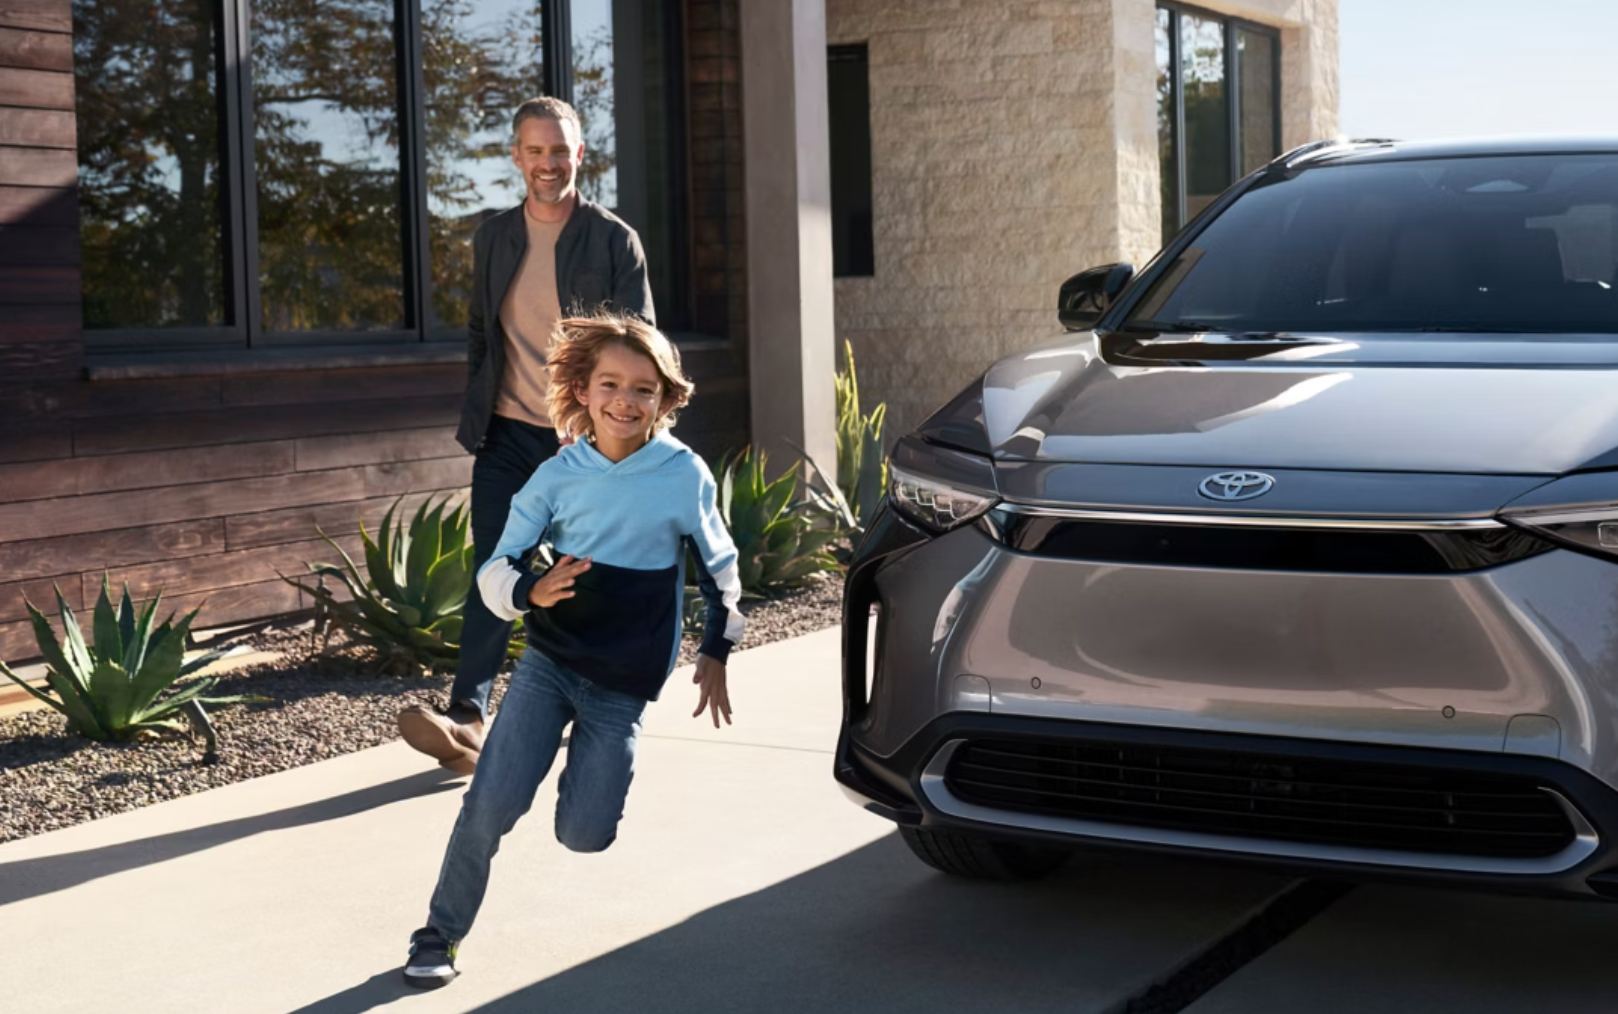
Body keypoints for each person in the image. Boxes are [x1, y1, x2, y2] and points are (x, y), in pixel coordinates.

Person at [401, 314, 744, 990]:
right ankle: (438, 933)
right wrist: (530, 589)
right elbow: (496, 567)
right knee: (490, 805)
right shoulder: (557, 475)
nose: (625, 401)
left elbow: (722, 572)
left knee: (585, 834)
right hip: (549, 666)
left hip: (622, 686)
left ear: (666, 398)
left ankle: (576, 771)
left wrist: (717, 649)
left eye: (643, 389)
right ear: (583, 391)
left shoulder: (682, 474)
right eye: (609, 384)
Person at [397, 96, 655, 775]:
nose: (548, 164)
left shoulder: (613, 240)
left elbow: (640, 351)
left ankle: (589, 704)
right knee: (495, 566)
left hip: (585, 447)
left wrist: (600, 430)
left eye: (560, 151)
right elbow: (481, 332)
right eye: (535, 151)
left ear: (579, 155)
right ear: (516, 157)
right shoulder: (494, 238)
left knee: (581, 580)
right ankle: (467, 718)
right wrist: (482, 409)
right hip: (507, 435)